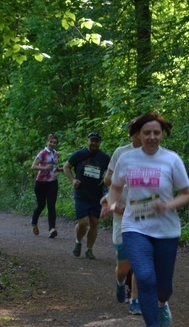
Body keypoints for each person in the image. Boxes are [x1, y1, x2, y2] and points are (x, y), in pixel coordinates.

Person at [102, 113, 189, 327]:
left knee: (163, 286)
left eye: (156, 133)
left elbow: (186, 193)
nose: (152, 137)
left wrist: (169, 205)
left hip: (166, 230)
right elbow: (116, 186)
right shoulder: (127, 159)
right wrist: (111, 204)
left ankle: (162, 303)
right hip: (134, 227)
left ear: (162, 134)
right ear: (138, 135)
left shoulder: (172, 160)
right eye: (147, 133)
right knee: (143, 276)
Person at [101, 119, 142, 314]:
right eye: (136, 130)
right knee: (123, 266)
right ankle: (119, 281)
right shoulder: (120, 152)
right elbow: (107, 179)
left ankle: (135, 300)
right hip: (121, 212)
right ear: (130, 133)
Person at [62, 131, 110, 259]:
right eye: (92, 140)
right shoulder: (79, 154)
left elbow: (111, 172)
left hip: (97, 195)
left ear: (99, 143)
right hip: (81, 194)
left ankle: (89, 249)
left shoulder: (104, 158)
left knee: (94, 222)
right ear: (87, 140)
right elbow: (66, 167)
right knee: (83, 222)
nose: (94, 143)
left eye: (96, 141)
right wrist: (72, 180)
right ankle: (78, 242)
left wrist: (107, 180)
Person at [30, 133, 60, 238]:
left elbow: (54, 167)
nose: (52, 144)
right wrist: (45, 168)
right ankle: (34, 221)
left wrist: (61, 169)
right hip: (41, 183)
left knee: (51, 205)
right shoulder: (42, 153)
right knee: (41, 205)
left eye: (55, 142)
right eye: (51, 141)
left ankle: (52, 229)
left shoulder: (56, 154)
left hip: (52, 182)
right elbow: (33, 166)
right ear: (47, 142)